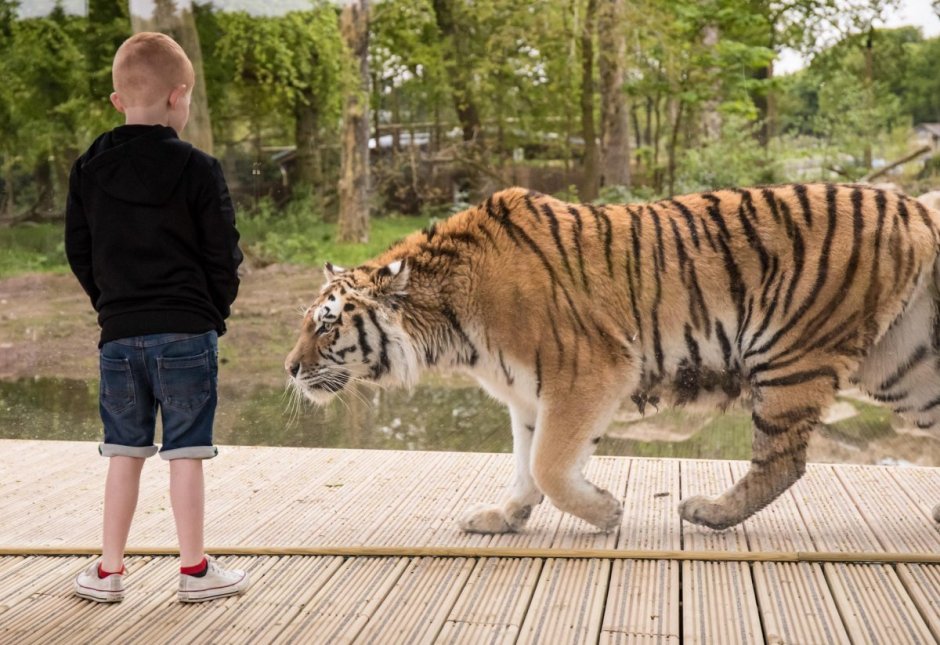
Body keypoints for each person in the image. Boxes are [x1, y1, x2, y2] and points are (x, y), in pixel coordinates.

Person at [65, 32, 247, 603]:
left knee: (124, 450)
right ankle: (193, 572)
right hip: (187, 331)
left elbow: (79, 249)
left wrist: (112, 307)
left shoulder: (88, 169)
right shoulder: (199, 167)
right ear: (179, 96)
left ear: (118, 100)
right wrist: (211, 311)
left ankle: (109, 571)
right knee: (187, 451)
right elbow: (224, 251)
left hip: (119, 336)